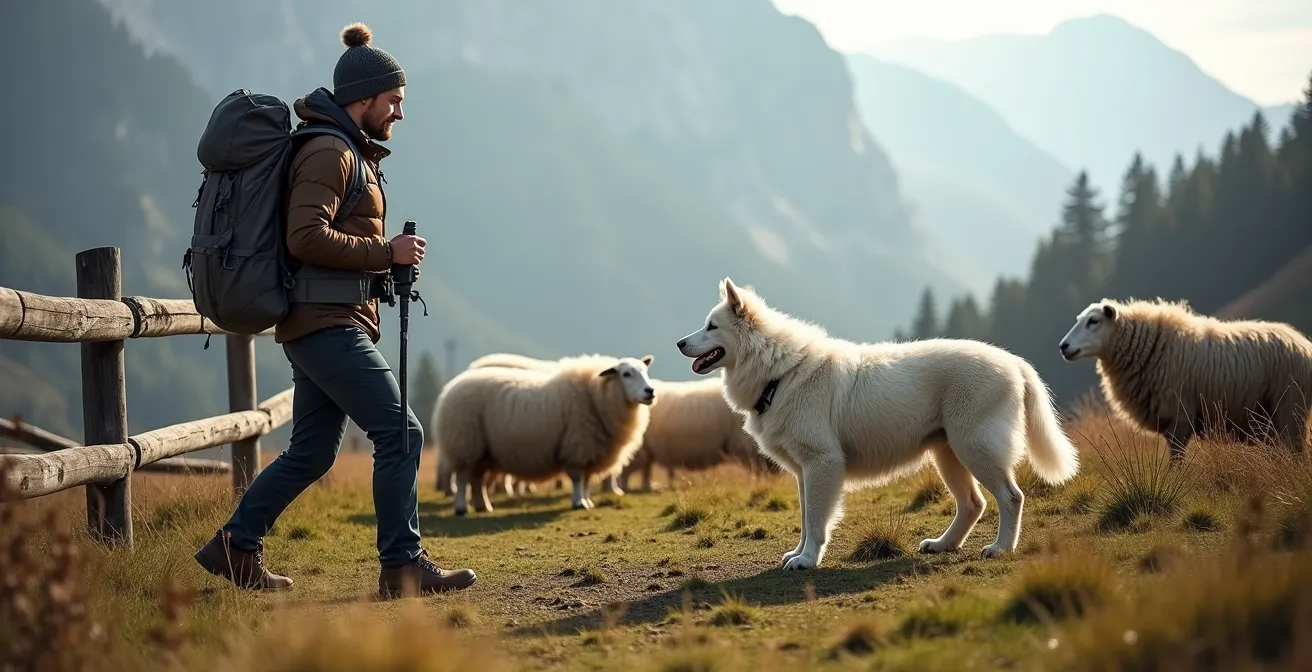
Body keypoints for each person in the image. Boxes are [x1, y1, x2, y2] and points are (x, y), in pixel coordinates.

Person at [193, 22, 477, 598]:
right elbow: (304, 237)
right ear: (365, 97)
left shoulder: (343, 148)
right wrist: (384, 251)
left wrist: (381, 269)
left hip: (323, 321)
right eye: (394, 101)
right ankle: (401, 568)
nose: (399, 113)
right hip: (325, 326)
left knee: (312, 451)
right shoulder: (329, 151)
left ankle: (234, 546)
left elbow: (322, 242)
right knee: (401, 433)